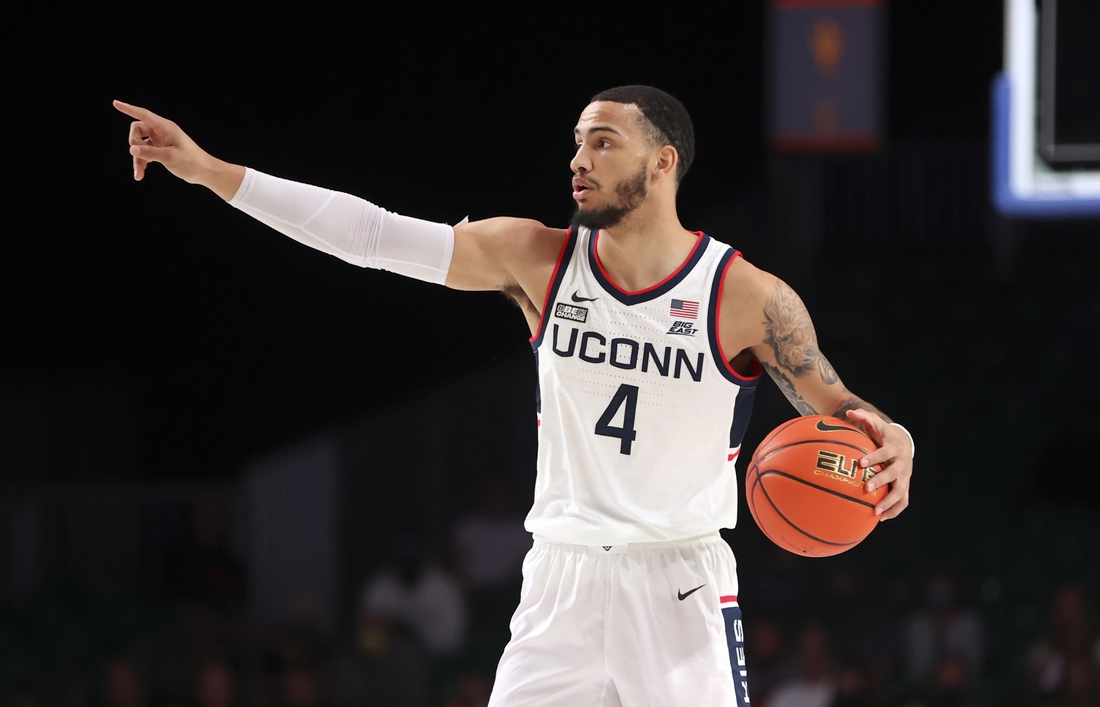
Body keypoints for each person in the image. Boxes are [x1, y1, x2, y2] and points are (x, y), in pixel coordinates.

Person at [114, 85, 915, 706]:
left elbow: (837, 409)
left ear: (664, 161)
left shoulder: (745, 295)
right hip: (560, 577)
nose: (580, 158)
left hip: (680, 583)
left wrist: (893, 439)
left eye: (604, 142)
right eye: (576, 142)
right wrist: (211, 170)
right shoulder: (537, 258)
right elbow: (370, 236)